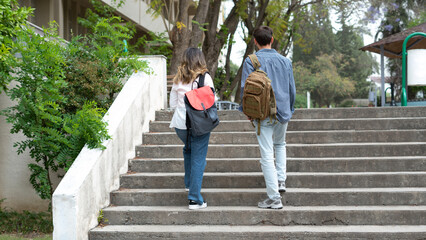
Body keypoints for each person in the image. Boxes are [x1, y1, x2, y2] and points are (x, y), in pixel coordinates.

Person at [240, 26, 296, 209]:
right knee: (280, 144)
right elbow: (291, 89)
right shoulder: (285, 61)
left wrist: (248, 112)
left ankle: (274, 198)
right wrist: (290, 109)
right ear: (272, 40)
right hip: (282, 112)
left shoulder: (251, 60)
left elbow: (244, 89)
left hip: (262, 113)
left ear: (255, 41)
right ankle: (280, 181)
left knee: (266, 154)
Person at [169, 47, 214, 210]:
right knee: (198, 157)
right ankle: (194, 199)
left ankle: (189, 184)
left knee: (188, 150)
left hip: (180, 124)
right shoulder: (205, 78)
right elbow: (212, 101)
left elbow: (172, 104)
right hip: (199, 123)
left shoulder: (178, 78)